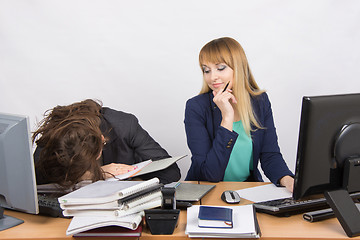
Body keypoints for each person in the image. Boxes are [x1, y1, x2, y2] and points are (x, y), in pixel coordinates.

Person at [184, 37, 294, 192]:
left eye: (220, 68)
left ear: (238, 67)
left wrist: (287, 180)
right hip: (205, 191)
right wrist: (227, 118)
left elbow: (270, 155)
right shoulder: (196, 107)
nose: (212, 77)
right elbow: (209, 175)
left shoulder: (259, 102)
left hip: (246, 188)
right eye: (206, 70)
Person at [33, 99, 181, 188]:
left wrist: (132, 183)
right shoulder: (55, 134)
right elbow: (38, 181)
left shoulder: (124, 125)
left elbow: (171, 172)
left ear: (103, 140)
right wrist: (98, 174)